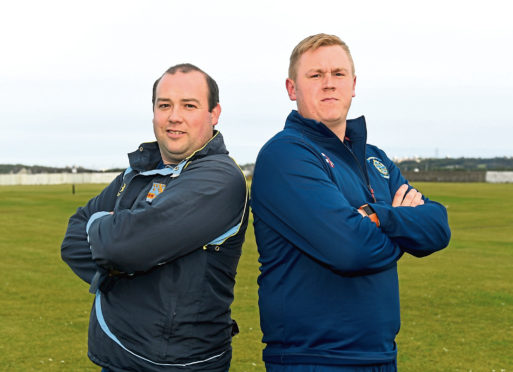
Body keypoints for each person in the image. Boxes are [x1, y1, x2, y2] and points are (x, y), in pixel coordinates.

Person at [251, 34, 451, 371]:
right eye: (315, 75)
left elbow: (438, 226)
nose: (329, 84)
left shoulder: (375, 160)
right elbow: (349, 250)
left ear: (354, 84)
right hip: (314, 359)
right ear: (291, 88)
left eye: (338, 74)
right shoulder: (285, 155)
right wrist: (402, 226)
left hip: (380, 356)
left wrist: (380, 218)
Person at [61, 63, 249, 372]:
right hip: (117, 354)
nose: (174, 116)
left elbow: (120, 247)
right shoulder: (137, 172)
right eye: (165, 105)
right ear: (154, 113)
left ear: (213, 114)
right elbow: (72, 241)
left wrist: (105, 232)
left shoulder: (220, 177)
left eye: (189, 105)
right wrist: (123, 258)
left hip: (179, 363)